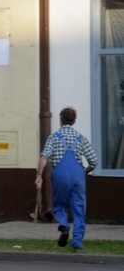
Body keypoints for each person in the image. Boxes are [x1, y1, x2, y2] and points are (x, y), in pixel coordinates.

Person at [35, 107, 98, 250]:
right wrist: (85, 171)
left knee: (59, 206)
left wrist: (39, 176)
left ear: (60, 120)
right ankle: (77, 241)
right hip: (77, 177)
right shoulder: (81, 138)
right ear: (74, 121)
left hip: (59, 176)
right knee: (79, 210)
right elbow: (94, 161)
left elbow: (44, 157)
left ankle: (63, 226)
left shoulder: (53, 137)